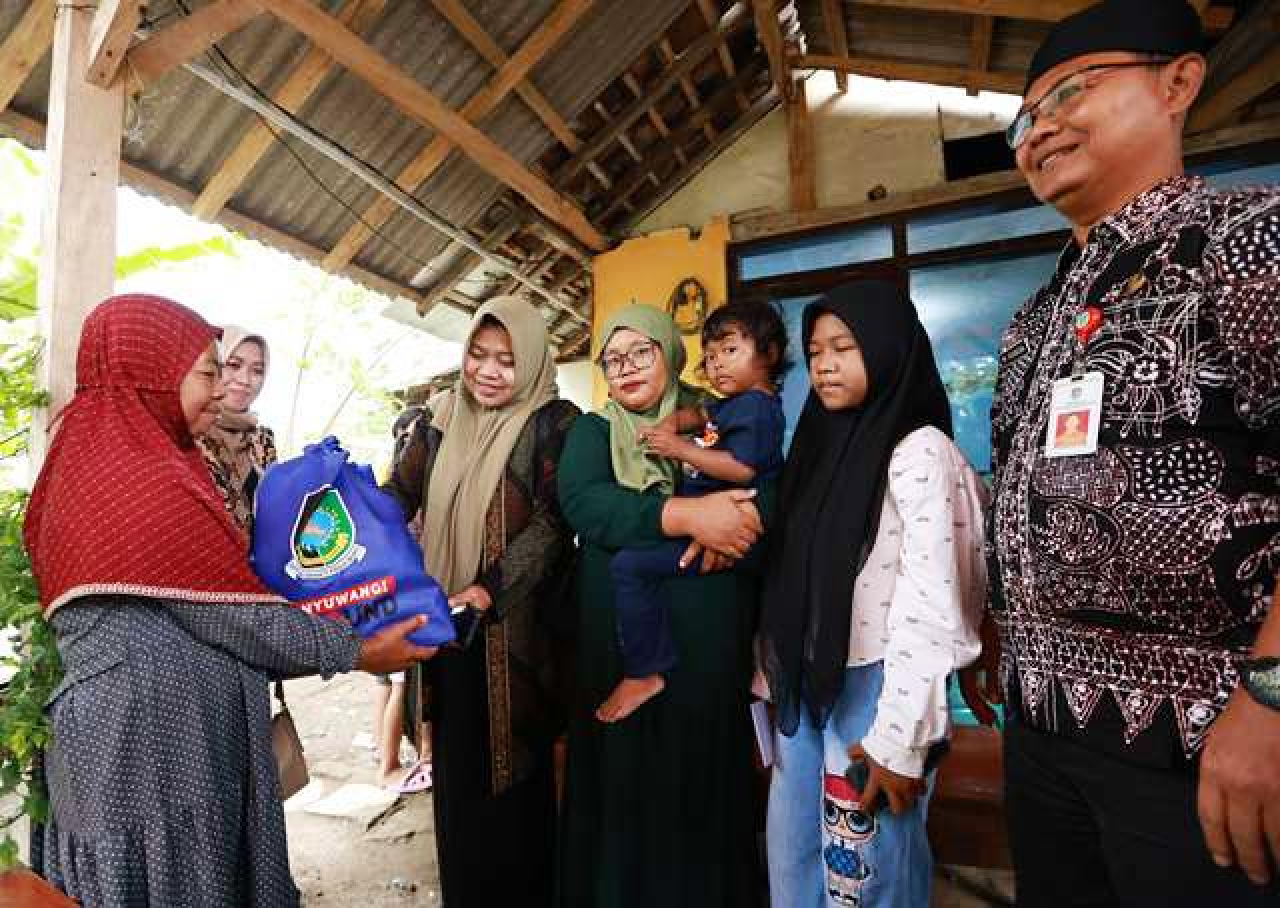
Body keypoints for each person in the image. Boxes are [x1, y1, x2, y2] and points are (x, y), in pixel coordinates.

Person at [986, 2, 1280, 904]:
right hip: (1041, 729)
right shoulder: (1035, 318)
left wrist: (1271, 698)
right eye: (1025, 120)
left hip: (1208, 738)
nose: (1042, 128)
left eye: (1072, 91)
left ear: (1177, 83)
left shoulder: (1244, 241)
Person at [23, 293, 433, 907]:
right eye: (208, 372)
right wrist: (356, 650)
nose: (221, 390)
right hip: (152, 758)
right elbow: (234, 613)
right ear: (152, 373)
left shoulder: (96, 459)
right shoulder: (141, 479)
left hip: (132, 746)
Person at [759, 281, 987, 908]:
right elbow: (791, 570)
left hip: (880, 687)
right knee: (796, 856)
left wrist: (901, 739)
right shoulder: (819, 444)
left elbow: (936, 604)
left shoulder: (920, 452)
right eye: (815, 352)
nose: (825, 365)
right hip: (810, 683)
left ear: (886, 348)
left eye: (843, 347)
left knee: (865, 871)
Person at [556, 303, 766, 908]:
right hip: (620, 646)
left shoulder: (714, 416)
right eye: (612, 359)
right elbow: (587, 503)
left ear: (669, 354)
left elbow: (762, 484)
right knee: (625, 777)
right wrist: (688, 516)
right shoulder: (594, 432)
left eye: (640, 353)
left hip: (706, 644)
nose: (625, 368)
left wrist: (740, 523)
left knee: (699, 775)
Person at [382, 296, 579, 908]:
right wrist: (344, 528)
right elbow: (398, 494)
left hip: (518, 643)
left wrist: (490, 587)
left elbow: (552, 524)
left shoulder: (554, 423)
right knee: (457, 785)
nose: (488, 372)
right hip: (441, 629)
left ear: (533, 362)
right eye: (479, 354)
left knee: (516, 788)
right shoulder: (437, 421)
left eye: (507, 360)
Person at [596, 301, 786, 721]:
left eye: (730, 351)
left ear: (769, 354)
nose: (717, 364)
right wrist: (673, 423)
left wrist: (679, 449)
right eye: (711, 356)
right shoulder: (730, 402)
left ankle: (644, 668)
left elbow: (741, 468)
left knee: (629, 566)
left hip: (733, 539)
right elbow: (700, 414)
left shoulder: (757, 407)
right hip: (707, 532)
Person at [198, 325, 276, 534]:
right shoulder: (192, 430)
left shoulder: (262, 441)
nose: (245, 380)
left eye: (257, 371)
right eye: (233, 365)